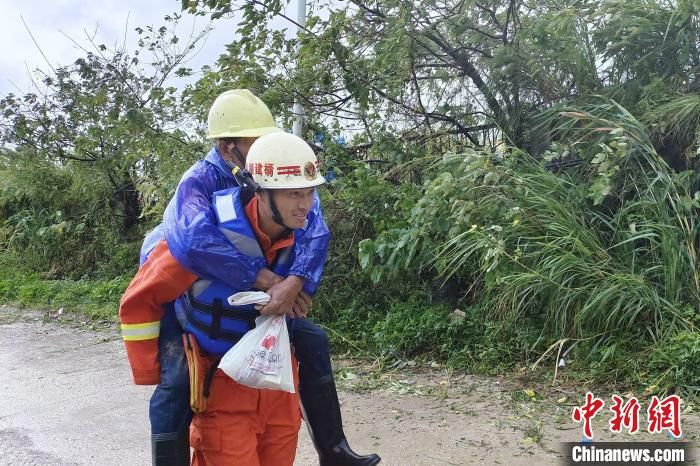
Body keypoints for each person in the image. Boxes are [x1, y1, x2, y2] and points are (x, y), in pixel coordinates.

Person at [119, 90, 380, 466]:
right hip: (186, 299)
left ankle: (334, 451)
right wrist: (264, 279)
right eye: (256, 143)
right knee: (175, 383)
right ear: (228, 149)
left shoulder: (281, 175)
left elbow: (315, 230)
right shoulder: (200, 182)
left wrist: (295, 282)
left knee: (313, 342)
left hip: (262, 294)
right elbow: (193, 243)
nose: (268, 148)